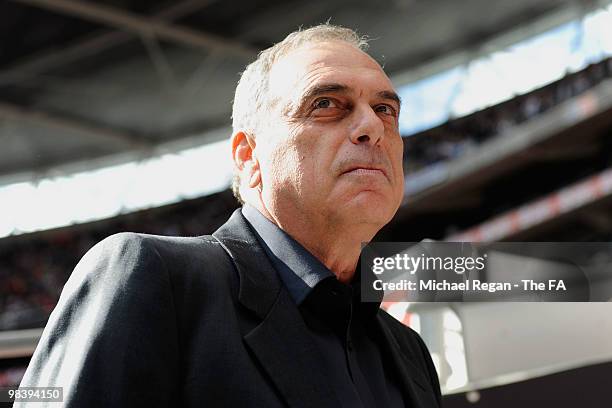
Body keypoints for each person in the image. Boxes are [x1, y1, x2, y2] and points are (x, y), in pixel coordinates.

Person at [17, 24, 442, 408]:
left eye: (386, 109)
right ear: (248, 155)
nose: (372, 126)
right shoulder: (152, 277)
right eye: (327, 103)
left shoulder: (409, 352)